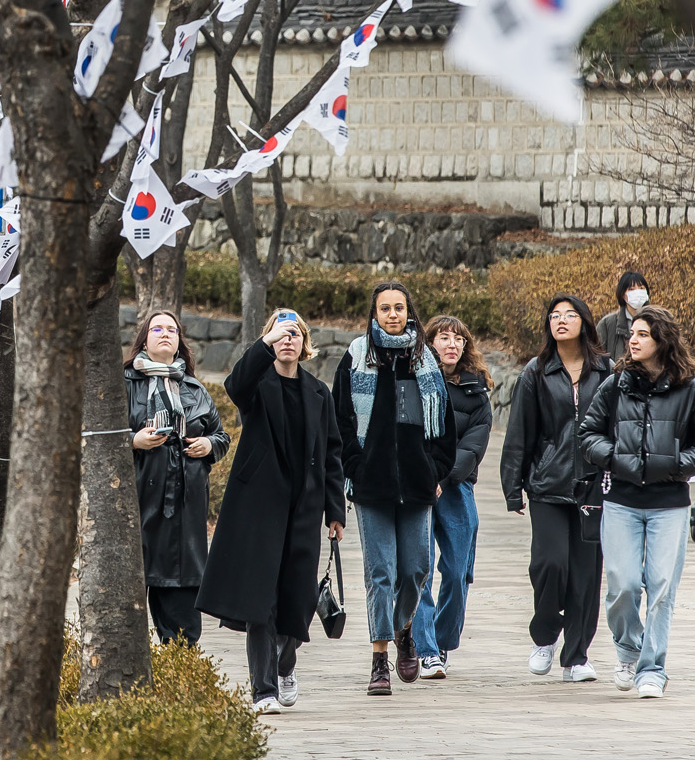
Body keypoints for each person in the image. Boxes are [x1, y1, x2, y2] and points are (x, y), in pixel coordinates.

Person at [198, 308, 346, 715]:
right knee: (260, 603)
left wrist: (336, 512)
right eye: (279, 334)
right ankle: (262, 690)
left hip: (305, 511)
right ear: (269, 340)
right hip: (259, 510)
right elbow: (234, 383)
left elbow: (333, 455)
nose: (287, 340)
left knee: (296, 600)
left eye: (295, 333)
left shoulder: (319, 393)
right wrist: (262, 344)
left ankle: (285, 663)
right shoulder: (256, 386)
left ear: (305, 343)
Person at [580, 304, 695, 698]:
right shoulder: (616, 384)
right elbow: (588, 432)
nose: (634, 340)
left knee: (661, 586)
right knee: (623, 585)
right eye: (633, 334)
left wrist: (678, 465)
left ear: (662, 340)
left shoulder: (691, 389)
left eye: (643, 334)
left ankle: (652, 669)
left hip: (670, 504)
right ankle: (628, 650)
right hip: (622, 500)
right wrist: (615, 458)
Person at [334, 281, 457, 696]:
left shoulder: (424, 359)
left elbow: (445, 429)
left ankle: (404, 627)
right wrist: (354, 467)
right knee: (380, 574)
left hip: (418, 487)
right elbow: (342, 422)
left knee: (416, 570)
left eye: (399, 307)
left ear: (410, 312)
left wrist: (435, 472)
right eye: (384, 308)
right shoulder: (356, 356)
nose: (392, 314)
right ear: (374, 312)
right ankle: (379, 660)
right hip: (372, 487)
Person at [499, 294, 613, 683]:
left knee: (585, 576)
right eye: (554, 315)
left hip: (593, 487)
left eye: (569, 314)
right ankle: (545, 634)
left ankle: (576, 657)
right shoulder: (536, 372)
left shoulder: (606, 370)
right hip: (547, 485)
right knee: (549, 565)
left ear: (584, 321)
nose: (561, 320)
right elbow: (518, 434)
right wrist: (513, 487)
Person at [125, 309, 230, 644]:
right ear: (144, 338)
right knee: (125, 615)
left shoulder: (194, 389)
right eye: (158, 328)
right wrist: (133, 441)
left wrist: (207, 444)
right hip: (137, 506)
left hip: (184, 514)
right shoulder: (123, 384)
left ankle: (181, 680)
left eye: (172, 329)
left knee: (183, 628)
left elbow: (221, 436)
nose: (166, 333)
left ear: (179, 341)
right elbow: (96, 437)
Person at [411, 314, 492, 680]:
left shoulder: (478, 393)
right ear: (429, 343)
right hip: (416, 487)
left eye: (458, 339)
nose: (451, 345)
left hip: (456, 487)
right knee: (420, 570)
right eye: (443, 337)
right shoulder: (412, 381)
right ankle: (425, 650)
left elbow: (474, 446)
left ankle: (442, 641)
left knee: (458, 570)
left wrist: (443, 476)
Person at [596, 270, 649, 365]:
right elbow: (597, 355)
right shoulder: (607, 324)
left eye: (641, 288)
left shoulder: (658, 321)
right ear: (623, 294)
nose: (637, 292)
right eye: (632, 289)